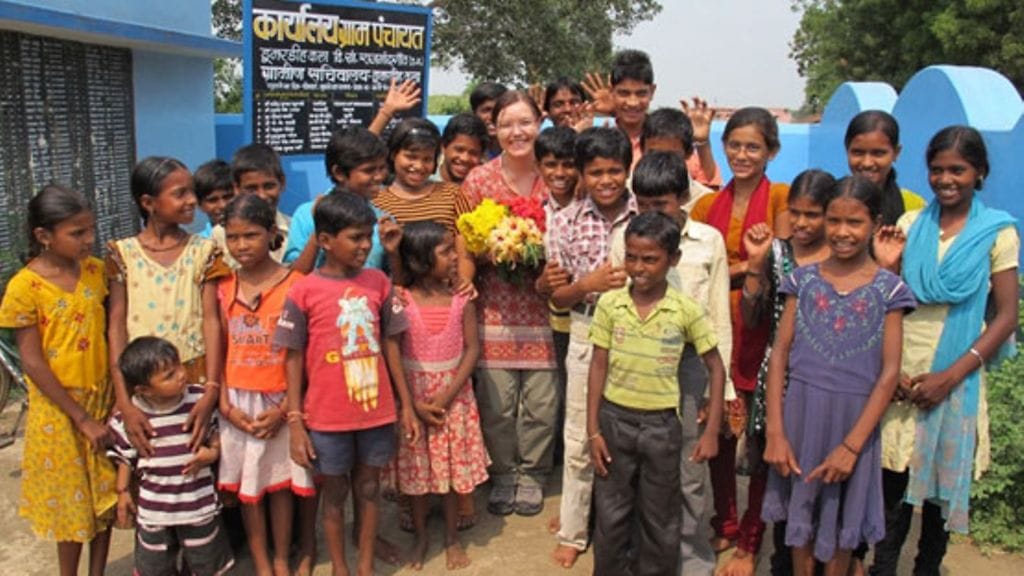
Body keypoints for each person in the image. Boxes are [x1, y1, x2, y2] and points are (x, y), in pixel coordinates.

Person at [869, 126, 1019, 576]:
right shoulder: (913, 226)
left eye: (958, 169)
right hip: (902, 371)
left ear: (979, 173)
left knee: (935, 509)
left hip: (956, 375)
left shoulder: (998, 233)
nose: (946, 179)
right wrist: (890, 372)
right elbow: (890, 298)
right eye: (937, 170)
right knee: (890, 496)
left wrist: (950, 378)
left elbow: (1006, 316)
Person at [761, 176, 916, 575]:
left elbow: (889, 373)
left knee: (843, 525)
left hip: (855, 425)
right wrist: (776, 432)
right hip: (801, 417)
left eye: (855, 223)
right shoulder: (803, 280)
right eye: (834, 221)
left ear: (874, 224)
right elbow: (780, 354)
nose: (842, 233)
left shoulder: (889, 290)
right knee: (802, 525)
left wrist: (851, 447)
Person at [275, 192, 420, 576]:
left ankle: (365, 564)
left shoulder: (378, 283)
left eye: (367, 237)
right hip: (326, 416)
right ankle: (340, 566)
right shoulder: (303, 290)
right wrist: (295, 421)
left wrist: (405, 406)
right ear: (325, 241)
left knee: (370, 489)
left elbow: (392, 344)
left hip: (376, 411)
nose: (364, 245)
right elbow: (291, 357)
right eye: (355, 237)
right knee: (335, 494)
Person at [609, 151, 732, 576]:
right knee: (641, 474)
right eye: (641, 203)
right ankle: (644, 558)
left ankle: (692, 560)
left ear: (682, 198)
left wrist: (720, 394)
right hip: (638, 370)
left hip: (691, 368)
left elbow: (719, 318)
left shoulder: (708, 241)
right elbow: (616, 307)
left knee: (690, 472)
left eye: (659, 205)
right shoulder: (625, 237)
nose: (649, 213)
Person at [689, 107, 791, 576]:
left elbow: (782, 264)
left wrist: (740, 268)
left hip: (764, 334)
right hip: (717, 334)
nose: (742, 154)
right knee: (721, 435)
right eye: (735, 145)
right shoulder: (709, 205)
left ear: (772, 151)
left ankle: (752, 538)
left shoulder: (782, 201)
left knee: (760, 436)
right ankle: (724, 521)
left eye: (753, 146)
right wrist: (746, 265)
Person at [0, 185, 116, 576]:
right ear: (43, 236)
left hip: (102, 398)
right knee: (72, 505)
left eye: (90, 230)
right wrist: (80, 417)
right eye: (77, 233)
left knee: (106, 498)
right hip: (60, 413)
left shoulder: (98, 272)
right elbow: (32, 361)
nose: (89, 240)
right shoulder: (24, 288)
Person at [460, 90, 560, 518]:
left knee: (541, 403)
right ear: (493, 129)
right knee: (498, 403)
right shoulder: (478, 180)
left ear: (540, 124)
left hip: (547, 306)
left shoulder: (555, 174)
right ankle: (503, 475)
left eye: (525, 122)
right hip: (496, 307)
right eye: (506, 124)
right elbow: (464, 242)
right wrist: (495, 253)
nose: (516, 132)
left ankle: (533, 475)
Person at [547, 126, 637, 568]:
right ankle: (573, 530)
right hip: (585, 331)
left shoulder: (644, 216)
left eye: (614, 171)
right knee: (581, 434)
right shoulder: (564, 220)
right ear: (582, 175)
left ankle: (626, 527)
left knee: (633, 435)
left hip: (639, 336)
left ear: (628, 170)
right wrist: (588, 285)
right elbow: (557, 296)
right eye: (596, 172)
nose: (606, 180)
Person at [740, 169, 838, 576]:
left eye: (812, 214)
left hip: (829, 385)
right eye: (795, 213)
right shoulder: (778, 254)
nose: (801, 223)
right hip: (779, 384)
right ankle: (782, 561)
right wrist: (754, 266)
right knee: (780, 480)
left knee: (825, 485)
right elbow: (751, 315)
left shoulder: (842, 254)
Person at [215, 194, 315, 576]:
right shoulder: (222, 286)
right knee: (249, 490)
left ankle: (279, 558)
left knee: (282, 485)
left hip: (280, 399)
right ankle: (261, 562)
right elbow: (218, 347)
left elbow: (304, 355)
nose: (241, 245)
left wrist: (286, 408)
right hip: (238, 402)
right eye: (233, 236)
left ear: (272, 233)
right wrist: (226, 404)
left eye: (251, 235)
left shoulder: (296, 284)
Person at [107, 157, 227, 460]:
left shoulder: (204, 252)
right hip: (143, 381)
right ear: (148, 202)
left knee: (198, 459)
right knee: (151, 459)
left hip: (194, 376)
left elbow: (211, 321)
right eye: (180, 193)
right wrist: (123, 398)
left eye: (192, 192)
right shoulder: (123, 254)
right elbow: (117, 327)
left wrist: (211, 388)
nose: (191, 201)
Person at [393, 222, 490, 571]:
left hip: (454, 399)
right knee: (417, 474)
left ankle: (451, 537)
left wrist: (447, 396)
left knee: (449, 474)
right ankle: (421, 537)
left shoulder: (462, 298)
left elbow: (472, 349)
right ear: (420, 259)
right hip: (414, 399)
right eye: (446, 251)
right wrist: (412, 404)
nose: (455, 257)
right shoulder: (401, 300)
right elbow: (393, 351)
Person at [109, 336, 234, 576]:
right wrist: (123, 491)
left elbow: (216, 437)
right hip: (154, 511)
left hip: (198, 506)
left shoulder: (198, 401)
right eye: (168, 375)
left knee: (205, 562)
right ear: (143, 390)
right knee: (155, 567)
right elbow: (125, 456)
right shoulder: (134, 416)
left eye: (178, 365)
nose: (181, 375)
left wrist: (211, 454)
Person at [582, 49, 720, 187]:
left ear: (652, 91)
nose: (633, 102)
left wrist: (703, 143)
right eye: (624, 93)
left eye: (641, 93)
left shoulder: (665, 140)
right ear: (612, 92)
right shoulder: (602, 139)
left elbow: (709, 186)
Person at [373, 117, 476, 289]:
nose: (419, 166)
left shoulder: (453, 194)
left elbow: (465, 248)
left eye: (427, 159)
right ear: (393, 155)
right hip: (398, 296)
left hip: (447, 296)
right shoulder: (377, 201)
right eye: (411, 157)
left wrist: (463, 284)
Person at [283, 126, 393, 274]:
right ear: (339, 173)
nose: (379, 177)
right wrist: (319, 229)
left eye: (382, 168)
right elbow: (294, 276)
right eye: (369, 170)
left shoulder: (382, 218)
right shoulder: (306, 215)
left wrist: (394, 251)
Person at [213, 143, 291, 266]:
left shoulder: (293, 230)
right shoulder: (220, 235)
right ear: (236, 188)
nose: (262, 195)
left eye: (269, 186)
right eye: (251, 188)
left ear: (282, 183)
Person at [844, 110, 926, 225]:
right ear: (847, 151)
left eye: (878, 153)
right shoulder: (831, 200)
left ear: (896, 153)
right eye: (858, 153)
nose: (867, 163)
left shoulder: (914, 208)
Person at [641, 108, 716, 209]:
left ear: (688, 153)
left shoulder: (705, 201)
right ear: (642, 150)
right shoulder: (625, 194)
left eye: (672, 156)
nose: (663, 162)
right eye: (655, 154)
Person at [439, 113, 489, 184]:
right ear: (443, 147)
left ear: (482, 156)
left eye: (473, 153)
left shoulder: (486, 186)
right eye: (459, 150)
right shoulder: (423, 182)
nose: (465, 158)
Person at [193, 159, 235, 239]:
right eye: (213, 200)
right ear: (199, 205)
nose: (223, 205)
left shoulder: (258, 235)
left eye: (228, 197)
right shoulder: (197, 246)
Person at [470, 81, 508, 158]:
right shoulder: (468, 150)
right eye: (486, 110)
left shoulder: (519, 152)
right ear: (475, 114)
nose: (492, 117)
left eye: (498, 110)